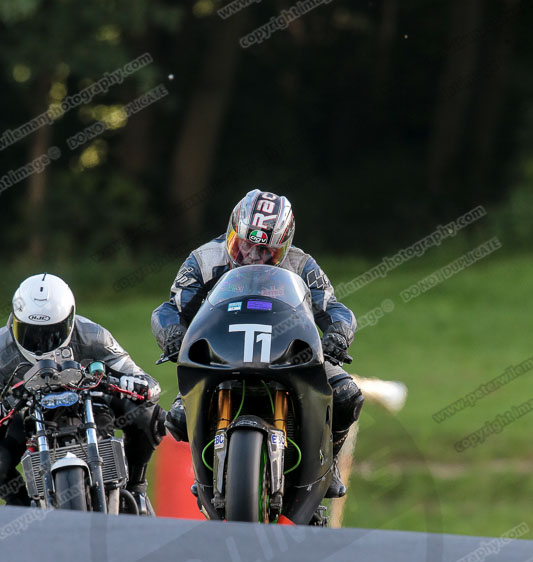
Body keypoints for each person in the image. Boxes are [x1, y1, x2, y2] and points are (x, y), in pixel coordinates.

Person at [151, 189, 364, 498]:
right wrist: (171, 334)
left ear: (285, 246)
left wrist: (338, 335)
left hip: (290, 350)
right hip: (221, 349)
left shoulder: (302, 264)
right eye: (244, 244)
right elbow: (170, 309)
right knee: (179, 418)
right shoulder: (203, 259)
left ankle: (326, 462)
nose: (252, 255)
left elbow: (335, 309)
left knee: (347, 396)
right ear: (231, 231)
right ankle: (205, 466)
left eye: (266, 252)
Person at [0, 273, 166, 513]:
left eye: (50, 333)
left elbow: (143, 379)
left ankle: (136, 486)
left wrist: (138, 385)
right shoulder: (3, 348)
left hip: (92, 397)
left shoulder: (93, 335)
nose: (40, 343)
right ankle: (22, 510)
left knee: (149, 415)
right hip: (26, 410)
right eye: (30, 332)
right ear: (14, 323)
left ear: (69, 321)